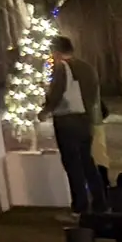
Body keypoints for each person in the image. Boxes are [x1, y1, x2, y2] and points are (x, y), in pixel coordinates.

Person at [42, 34, 107, 216]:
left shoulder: (62, 67)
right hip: (85, 120)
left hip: (67, 120)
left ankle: (80, 207)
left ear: (56, 51)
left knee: (73, 165)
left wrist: (45, 110)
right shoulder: (88, 67)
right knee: (87, 162)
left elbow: (57, 93)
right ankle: (100, 203)